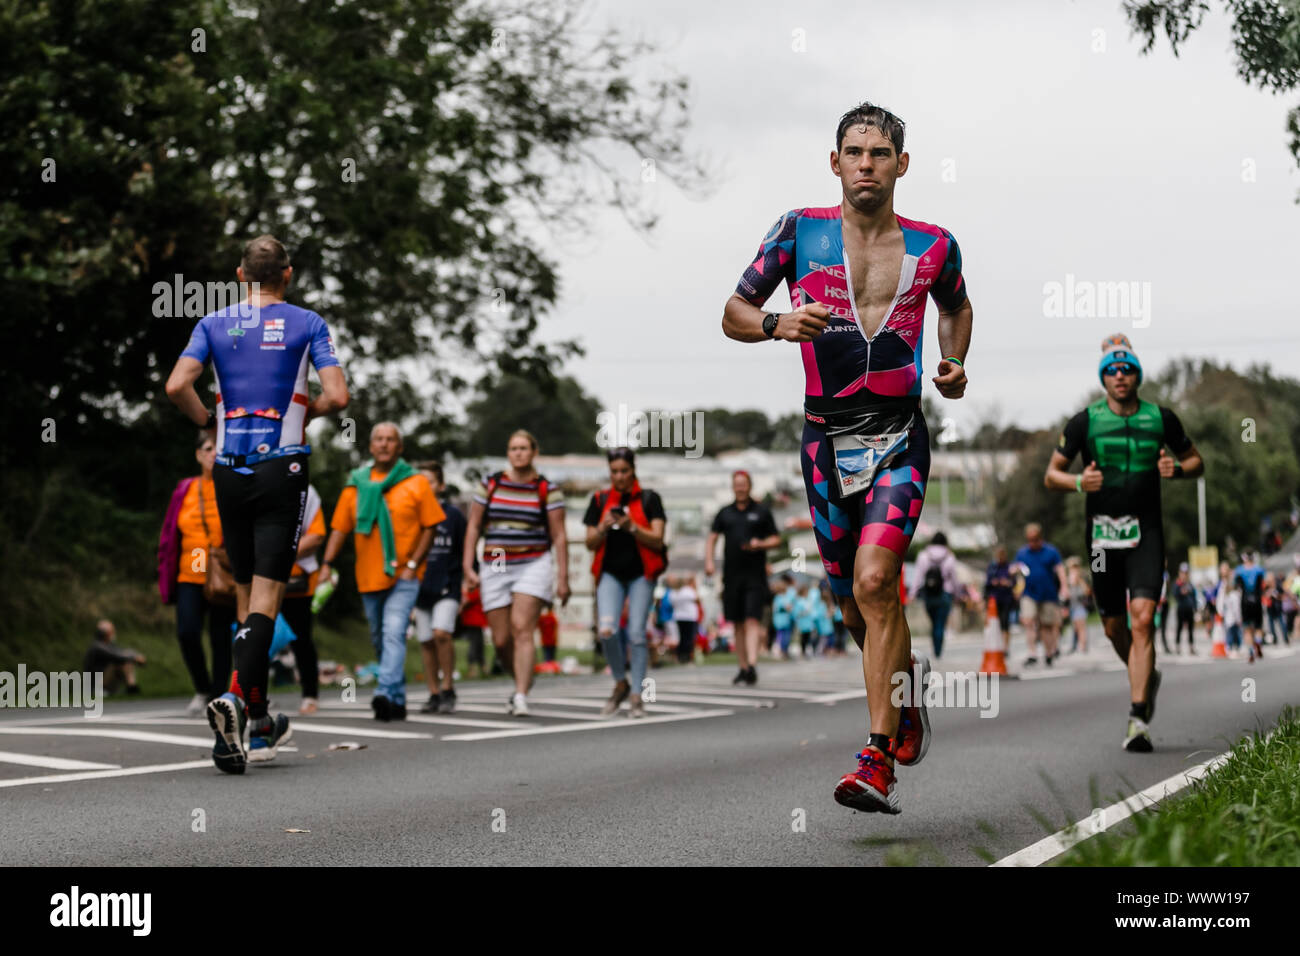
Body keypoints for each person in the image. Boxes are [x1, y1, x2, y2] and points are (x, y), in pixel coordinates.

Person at [723, 101, 973, 813]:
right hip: (823, 442)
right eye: (855, 152)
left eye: (880, 153)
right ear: (835, 163)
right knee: (855, 612)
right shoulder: (798, 232)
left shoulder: (934, 245)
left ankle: (874, 761)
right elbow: (733, 311)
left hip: (898, 435)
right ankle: (906, 693)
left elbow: (958, 308)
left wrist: (953, 360)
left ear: (901, 165)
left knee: (875, 582)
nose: (867, 163)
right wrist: (776, 323)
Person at [165, 235, 349, 773]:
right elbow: (338, 397)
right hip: (282, 466)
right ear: (287, 274)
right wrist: (307, 409)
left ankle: (258, 720)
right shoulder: (308, 323)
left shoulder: (213, 324)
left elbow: (178, 384)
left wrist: (208, 421)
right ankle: (234, 699)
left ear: (239, 274)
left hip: (228, 469)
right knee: (267, 599)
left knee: (245, 600)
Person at [1045, 333, 1204, 752]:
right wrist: (1080, 481)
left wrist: (1177, 469)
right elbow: (1051, 475)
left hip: (1146, 531)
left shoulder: (1161, 418)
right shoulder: (1085, 421)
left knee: (1142, 617)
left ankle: (1138, 718)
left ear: (1137, 375)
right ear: (1103, 378)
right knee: (1115, 624)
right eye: (1112, 370)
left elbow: (1196, 461)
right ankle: (1145, 676)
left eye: (1127, 369)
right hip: (1100, 540)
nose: (1120, 376)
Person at [319, 423, 444, 721]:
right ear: (371, 446)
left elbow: (431, 525)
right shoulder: (356, 483)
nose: (385, 444)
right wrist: (326, 563)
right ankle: (397, 700)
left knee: (393, 633)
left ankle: (384, 692)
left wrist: (413, 565)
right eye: (379, 439)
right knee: (380, 638)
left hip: (404, 575)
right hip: (368, 575)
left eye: (391, 440)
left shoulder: (416, 483)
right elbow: (339, 528)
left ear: (400, 448)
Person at [464, 430, 569, 716]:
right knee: (500, 640)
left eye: (524, 448)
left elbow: (559, 535)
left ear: (534, 452)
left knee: (523, 628)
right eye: (513, 448)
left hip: (533, 560)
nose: (518, 453)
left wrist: (563, 578)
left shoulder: (547, 488)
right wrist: (468, 565)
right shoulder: (492, 483)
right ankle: (521, 677)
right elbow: (473, 525)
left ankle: (521, 694)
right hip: (496, 558)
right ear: (508, 453)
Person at [158, 430, 237, 715]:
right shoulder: (185, 489)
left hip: (223, 564)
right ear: (198, 454)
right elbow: (169, 532)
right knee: (187, 630)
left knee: (219, 636)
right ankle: (202, 688)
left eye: (218, 448)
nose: (214, 453)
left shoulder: (233, 483)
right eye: (208, 448)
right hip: (196, 562)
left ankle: (218, 694)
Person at [584, 447, 667, 717]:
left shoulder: (649, 498)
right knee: (606, 630)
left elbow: (657, 539)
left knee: (636, 634)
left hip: (642, 573)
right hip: (610, 573)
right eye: (614, 471)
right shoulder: (599, 500)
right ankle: (620, 682)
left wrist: (632, 526)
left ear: (633, 470)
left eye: (624, 471)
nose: (619, 476)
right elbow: (589, 543)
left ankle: (636, 696)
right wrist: (603, 526)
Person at [705, 470, 780, 686]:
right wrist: (709, 562)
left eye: (743, 484)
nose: (740, 488)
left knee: (752, 619)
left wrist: (760, 544)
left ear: (749, 486)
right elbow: (712, 538)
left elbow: (776, 539)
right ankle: (743, 666)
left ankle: (753, 664)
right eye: (736, 484)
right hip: (731, 575)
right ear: (732, 487)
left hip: (755, 575)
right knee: (737, 622)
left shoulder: (761, 511)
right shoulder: (724, 513)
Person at [411, 461, 467, 714]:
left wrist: (466, 581)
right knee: (425, 640)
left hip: (448, 584)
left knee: (441, 633)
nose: (425, 486)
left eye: (430, 481)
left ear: (441, 486)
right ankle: (433, 692)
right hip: (420, 586)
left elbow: (465, 550)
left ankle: (448, 687)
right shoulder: (410, 514)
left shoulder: (453, 516)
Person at [280, 482, 327, 715]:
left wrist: (278, 555)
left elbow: (316, 535)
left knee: (301, 638)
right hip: (259, 578)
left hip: (297, 580)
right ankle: (249, 695)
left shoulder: (306, 491)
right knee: (254, 635)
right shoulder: (251, 481)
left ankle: (310, 694)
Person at [1013, 524, 1067, 667]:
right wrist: (1014, 572)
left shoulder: (1051, 551)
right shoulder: (1022, 553)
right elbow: (1015, 569)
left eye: (1035, 539)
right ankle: (1032, 653)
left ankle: (1049, 653)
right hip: (1029, 593)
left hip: (1048, 593)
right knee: (1028, 621)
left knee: (1046, 625)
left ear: (1040, 538)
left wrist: (1064, 587)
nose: (1032, 542)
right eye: (1030, 540)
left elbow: (1060, 569)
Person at [911, 532, 959, 659]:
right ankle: (938, 651)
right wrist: (958, 593)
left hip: (929, 594)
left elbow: (918, 576)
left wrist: (912, 593)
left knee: (934, 623)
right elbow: (954, 578)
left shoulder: (923, 555)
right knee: (940, 623)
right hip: (945, 593)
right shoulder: (950, 557)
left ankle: (935, 647)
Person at [83, 620, 145, 695]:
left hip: (105, 680)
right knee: (118, 662)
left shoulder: (109, 645)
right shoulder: (97, 647)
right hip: (95, 682)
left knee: (126, 662)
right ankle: (99, 690)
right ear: (107, 634)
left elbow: (123, 653)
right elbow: (116, 657)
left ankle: (131, 687)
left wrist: (134, 656)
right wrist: (134, 658)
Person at [1234, 552, 1266, 661]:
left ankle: (1251, 651)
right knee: (1258, 627)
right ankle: (1258, 642)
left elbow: (1236, 586)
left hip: (1245, 601)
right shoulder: (1259, 570)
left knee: (1247, 628)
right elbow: (1263, 584)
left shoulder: (1239, 570)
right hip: (1257, 601)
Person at [983, 546, 1015, 654]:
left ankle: (1006, 647)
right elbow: (987, 583)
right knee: (995, 623)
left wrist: (1007, 583)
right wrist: (994, 582)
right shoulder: (992, 567)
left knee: (1005, 622)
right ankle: (998, 646)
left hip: (1006, 598)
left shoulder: (1009, 567)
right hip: (994, 599)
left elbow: (1014, 582)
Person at [671, 575, 702, 666]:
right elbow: (698, 600)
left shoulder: (676, 592)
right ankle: (688, 657)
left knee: (682, 638)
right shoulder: (689, 591)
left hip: (679, 617)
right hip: (689, 617)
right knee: (690, 638)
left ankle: (680, 657)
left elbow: (672, 604)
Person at [1064, 556, 1092, 654]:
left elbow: (1087, 591)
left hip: (1080, 605)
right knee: (1075, 627)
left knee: (1081, 626)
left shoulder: (1082, 577)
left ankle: (1083, 646)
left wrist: (1079, 580)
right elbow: (1066, 594)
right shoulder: (1067, 578)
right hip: (1072, 606)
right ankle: (1077, 645)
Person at [1171, 562, 1197, 654]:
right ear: (1180, 573)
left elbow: (1194, 596)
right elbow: (1174, 595)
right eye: (1183, 572)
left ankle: (1191, 647)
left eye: (1186, 573)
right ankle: (1177, 646)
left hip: (1189, 609)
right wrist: (1181, 593)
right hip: (1181, 608)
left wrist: (1195, 607)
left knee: (1190, 629)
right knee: (1179, 627)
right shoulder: (1177, 584)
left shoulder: (1190, 584)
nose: (1184, 575)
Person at [771, 574, 795, 660]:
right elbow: (786, 607)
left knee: (782, 636)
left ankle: (783, 650)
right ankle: (782, 651)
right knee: (783, 636)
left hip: (781, 621)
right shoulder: (781, 598)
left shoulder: (778, 597)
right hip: (783, 621)